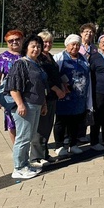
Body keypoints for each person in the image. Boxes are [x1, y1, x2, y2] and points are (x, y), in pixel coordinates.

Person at [6, 35, 48, 179]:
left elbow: (40, 86)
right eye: (33, 46)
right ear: (26, 48)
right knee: (23, 138)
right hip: (26, 105)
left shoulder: (37, 64)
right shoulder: (21, 64)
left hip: (36, 104)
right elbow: (13, 87)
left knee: (29, 136)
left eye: (38, 46)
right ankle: (18, 168)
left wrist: (43, 103)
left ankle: (25, 164)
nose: (36, 49)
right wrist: (20, 104)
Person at [54, 34, 92, 156]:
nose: (75, 47)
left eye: (77, 45)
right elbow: (54, 76)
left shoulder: (83, 58)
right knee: (61, 122)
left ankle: (73, 144)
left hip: (79, 97)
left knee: (75, 122)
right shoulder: (59, 57)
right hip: (64, 98)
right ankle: (59, 146)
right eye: (73, 44)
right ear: (67, 45)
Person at [31, 31, 63, 168]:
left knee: (47, 126)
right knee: (40, 128)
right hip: (43, 97)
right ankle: (36, 157)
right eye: (44, 42)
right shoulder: (38, 59)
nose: (48, 44)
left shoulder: (50, 56)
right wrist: (56, 88)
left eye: (50, 42)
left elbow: (56, 74)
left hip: (52, 98)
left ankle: (44, 153)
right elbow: (44, 79)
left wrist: (63, 86)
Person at [0, 29, 24, 144]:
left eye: (17, 39)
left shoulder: (28, 54)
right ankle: (16, 147)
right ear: (7, 43)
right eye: (11, 41)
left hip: (28, 94)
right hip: (9, 95)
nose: (14, 42)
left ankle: (26, 146)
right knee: (12, 122)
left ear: (22, 40)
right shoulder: (3, 57)